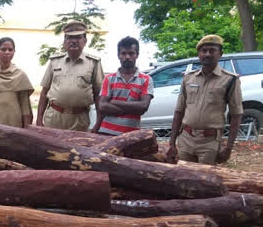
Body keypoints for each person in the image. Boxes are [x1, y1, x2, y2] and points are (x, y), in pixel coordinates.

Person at [166, 34, 243, 165]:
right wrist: (172, 143)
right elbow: (179, 111)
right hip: (186, 138)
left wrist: (228, 148)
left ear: (220, 54)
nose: (207, 54)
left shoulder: (230, 80)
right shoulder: (188, 78)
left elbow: (236, 115)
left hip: (210, 142)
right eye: (204, 51)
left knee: (205, 181)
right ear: (199, 54)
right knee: (182, 178)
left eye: (212, 50)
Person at [36, 21, 104, 131]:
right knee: (50, 147)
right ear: (64, 41)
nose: (73, 41)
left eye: (78, 37)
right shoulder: (54, 61)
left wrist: (98, 123)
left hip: (79, 119)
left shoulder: (94, 63)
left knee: (76, 148)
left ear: (85, 41)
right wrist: (39, 119)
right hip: (54, 117)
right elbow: (44, 92)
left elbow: (98, 95)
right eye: (69, 38)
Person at [92, 36, 154, 135]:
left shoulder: (146, 79)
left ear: (137, 55)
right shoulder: (109, 78)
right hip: (106, 132)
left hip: (131, 135)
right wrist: (132, 109)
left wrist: (114, 102)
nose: (127, 57)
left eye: (131, 53)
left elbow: (143, 106)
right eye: (124, 53)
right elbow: (102, 106)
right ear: (118, 55)